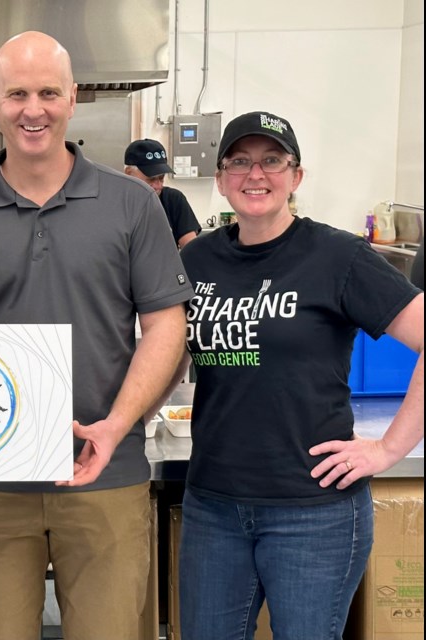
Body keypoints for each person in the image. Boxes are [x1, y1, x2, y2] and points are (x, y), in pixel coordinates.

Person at [0, 31, 193, 638]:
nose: (32, 109)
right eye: (17, 93)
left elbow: (168, 327)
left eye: (47, 92)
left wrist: (116, 427)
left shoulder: (132, 205)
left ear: (72, 98)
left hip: (106, 473)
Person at [174, 111, 424, 639]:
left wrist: (387, 449)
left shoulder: (339, 256)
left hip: (314, 512)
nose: (255, 175)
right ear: (220, 179)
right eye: (239, 162)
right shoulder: (197, 260)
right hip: (213, 505)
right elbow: (166, 348)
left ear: (296, 176)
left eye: (271, 161)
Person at [125, 138, 202, 248]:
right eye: (151, 179)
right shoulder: (115, 205)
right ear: (129, 173)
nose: (158, 186)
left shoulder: (173, 200)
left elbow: (192, 249)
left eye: (161, 178)